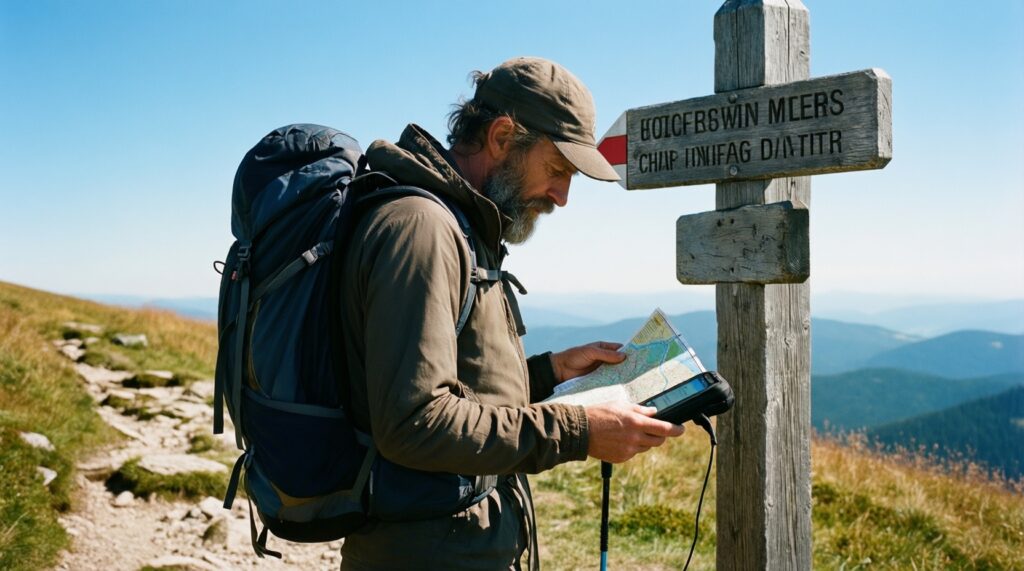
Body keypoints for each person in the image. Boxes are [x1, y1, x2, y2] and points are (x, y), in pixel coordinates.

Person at [335, 56, 685, 570]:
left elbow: (454, 388)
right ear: (501, 138)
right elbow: (415, 422)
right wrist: (578, 430)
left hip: (455, 542)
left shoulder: (463, 227)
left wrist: (552, 372)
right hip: (427, 552)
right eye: (558, 170)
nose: (562, 197)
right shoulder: (423, 229)